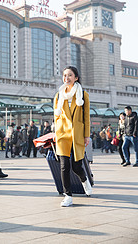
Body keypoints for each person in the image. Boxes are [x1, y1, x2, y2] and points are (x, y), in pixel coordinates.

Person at [54, 66, 92, 207]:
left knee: (76, 166)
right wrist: (57, 132)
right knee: (64, 166)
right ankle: (67, 196)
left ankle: (85, 180)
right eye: (65, 75)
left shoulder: (83, 94)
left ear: (76, 77)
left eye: (70, 75)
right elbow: (56, 116)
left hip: (77, 133)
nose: (66, 78)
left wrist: (86, 135)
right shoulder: (59, 95)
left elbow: (86, 117)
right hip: (63, 133)